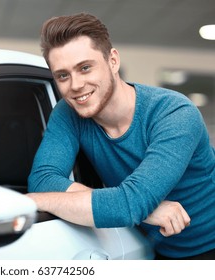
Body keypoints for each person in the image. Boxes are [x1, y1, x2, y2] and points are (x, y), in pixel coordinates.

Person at [27, 12, 215, 260]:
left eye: (85, 68)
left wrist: (35, 201)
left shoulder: (174, 113)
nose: (75, 85)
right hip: (154, 248)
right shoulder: (69, 111)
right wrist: (143, 209)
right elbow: (42, 180)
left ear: (113, 61)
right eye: (63, 75)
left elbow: (130, 204)